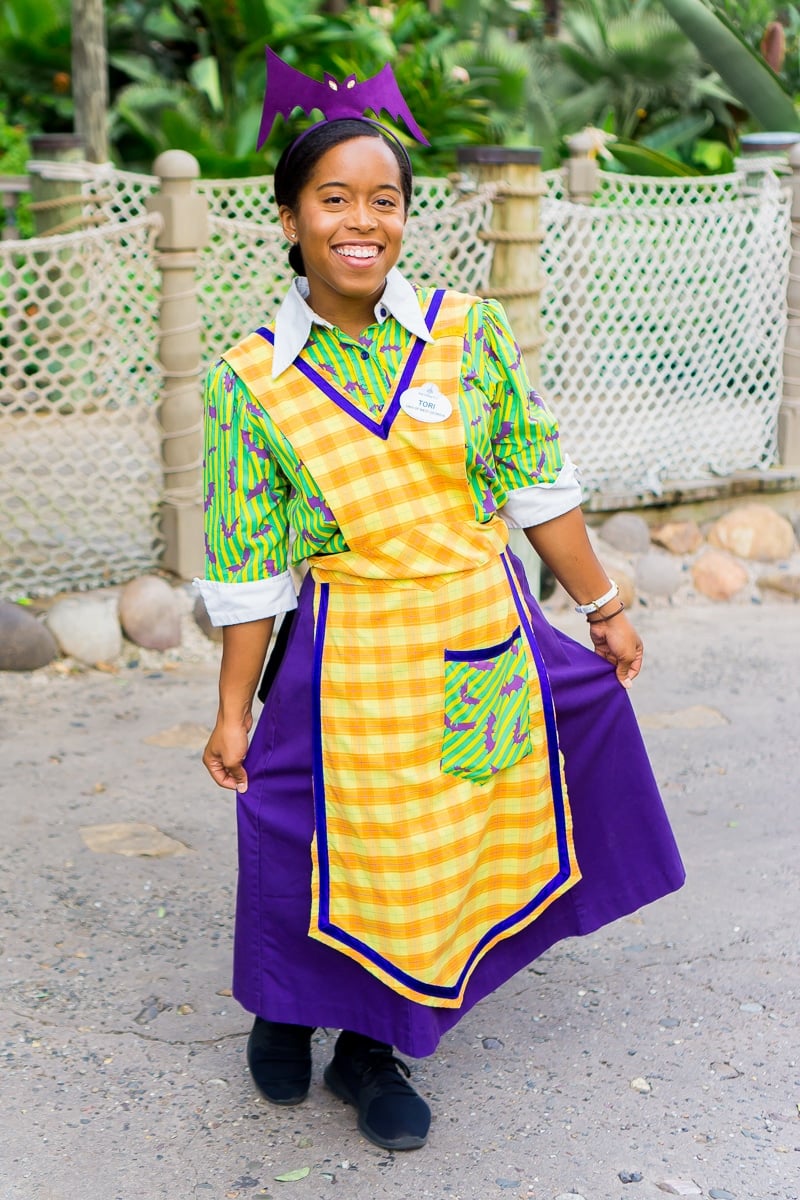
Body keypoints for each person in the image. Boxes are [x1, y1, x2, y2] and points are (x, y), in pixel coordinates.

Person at [197, 55, 684, 1154]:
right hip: (346, 648)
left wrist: (602, 605)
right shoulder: (249, 378)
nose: (361, 223)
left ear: (406, 219)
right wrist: (232, 708)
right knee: (305, 826)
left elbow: (534, 480)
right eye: (334, 200)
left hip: (477, 636)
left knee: (439, 842)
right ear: (289, 217)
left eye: (384, 201)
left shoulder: (468, 334)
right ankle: (285, 1004)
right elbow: (246, 564)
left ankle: (374, 1050)